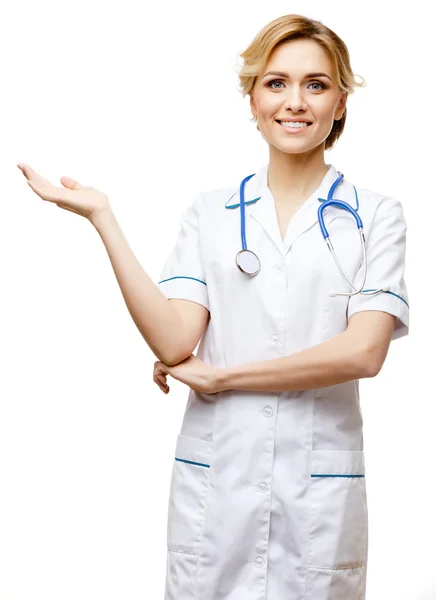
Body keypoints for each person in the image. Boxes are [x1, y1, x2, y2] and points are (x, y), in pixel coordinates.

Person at [17, 13, 409, 600]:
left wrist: (224, 375)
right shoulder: (211, 213)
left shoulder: (376, 214)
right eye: (275, 83)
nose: (294, 102)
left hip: (317, 488)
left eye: (316, 84)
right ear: (251, 100)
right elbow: (176, 342)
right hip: (218, 481)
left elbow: (365, 350)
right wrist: (104, 218)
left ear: (341, 103)